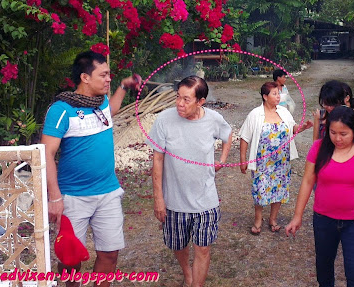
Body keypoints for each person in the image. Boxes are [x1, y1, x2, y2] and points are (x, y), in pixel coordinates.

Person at [41, 50, 140, 287]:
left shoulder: (100, 102)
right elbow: (46, 153)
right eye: (103, 75)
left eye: (110, 75)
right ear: (85, 78)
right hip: (73, 197)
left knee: (110, 254)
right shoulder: (61, 109)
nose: (108, 79)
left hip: (108, 193)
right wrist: (54, 197)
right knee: (70, 258)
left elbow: (112, 109)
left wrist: (124, 87)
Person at [286, 106, 354, 287]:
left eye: (343, 134)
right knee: (324, 272)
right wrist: (297, 216)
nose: (337, 139)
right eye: (333, 132)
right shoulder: (318, 148)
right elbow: (307, 182)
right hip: (323, 220)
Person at [149, 76, 232, 287]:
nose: (179, 103)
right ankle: (187, 272)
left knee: (203, 248)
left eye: (186, 99)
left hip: (206, 199)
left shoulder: (213, 119)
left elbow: (228, 134)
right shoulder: (164, 120)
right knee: (178, 245)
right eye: (178, 97)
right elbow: (157, 159)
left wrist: (221, 160)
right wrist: (159, 198)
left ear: (200, 101)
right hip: (175, 200)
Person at [239, 82, 313, 234]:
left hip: (281, 161)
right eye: (274, 93)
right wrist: (243, 160)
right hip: (262, 162)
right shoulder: (255, 114)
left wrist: (303, 127)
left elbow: (292, 128)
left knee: (279, 189)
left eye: (279, 93)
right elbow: (244, 137)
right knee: (260, 189)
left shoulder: (284, 112)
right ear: (265, 97)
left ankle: (273, 218)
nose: (278, 96)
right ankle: (258, 219)